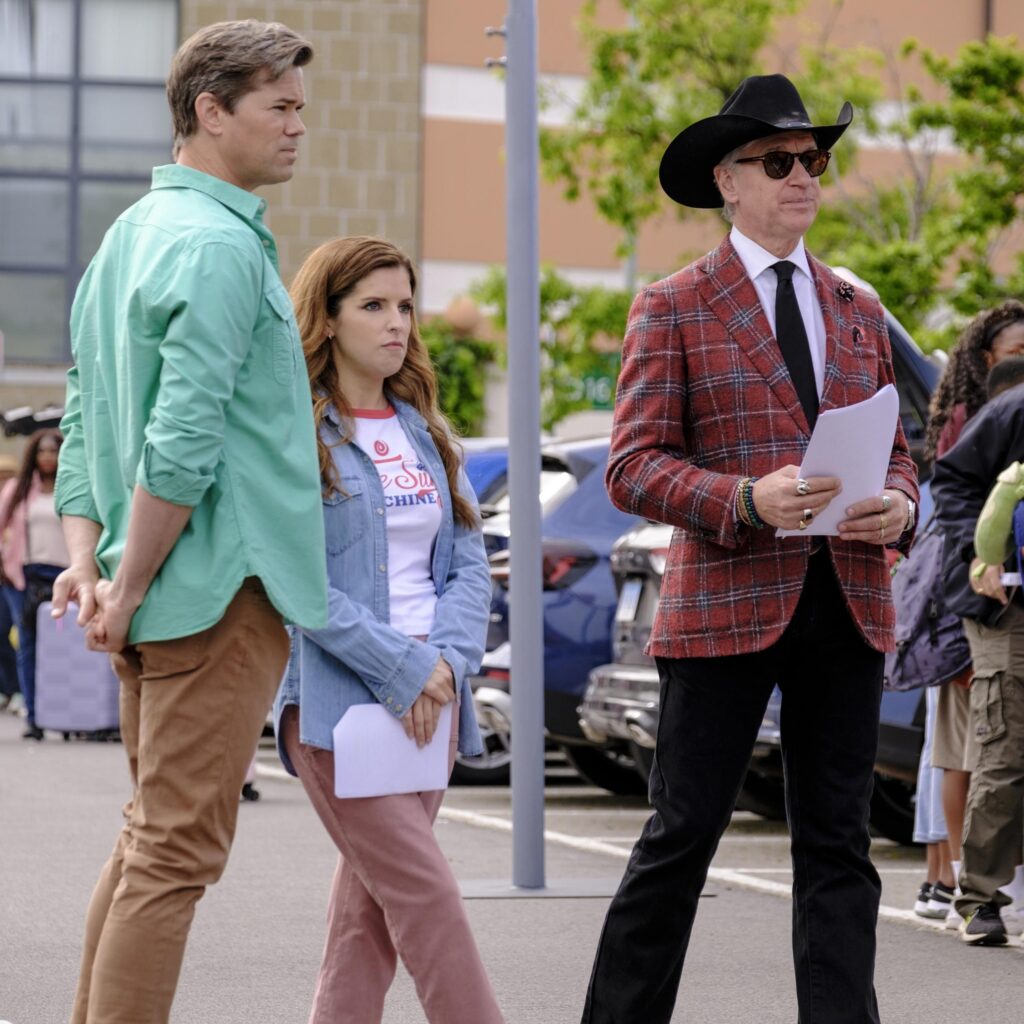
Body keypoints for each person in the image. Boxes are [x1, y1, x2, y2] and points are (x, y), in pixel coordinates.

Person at [581, 74, 918, 1024]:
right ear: (728, 180)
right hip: (726, 603)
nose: (804, 175)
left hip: (849, 599)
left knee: (839, 847)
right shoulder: (674, 303)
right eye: (780, 161)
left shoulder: (858, 303)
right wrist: (745, 499)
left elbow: (898, 449)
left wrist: (898, 501)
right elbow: (633, 466)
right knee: (682, 836)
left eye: (815, 159)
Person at [51, 20, 327, 1023]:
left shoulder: (130, 233)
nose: (299, 127)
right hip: (215, 591)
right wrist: (116, 585)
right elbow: (179, 438)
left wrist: (88, 563)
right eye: (280, 107)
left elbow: (83, 417)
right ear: (210, 112)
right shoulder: (215, 244)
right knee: (172, 855)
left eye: (301, 106)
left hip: (160, 585)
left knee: (146, 843)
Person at [274, 236, 504, 1024]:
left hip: (432, 707)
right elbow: (299, 585)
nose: (396, 322)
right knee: (427, 895)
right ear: (327, 320)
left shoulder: (425, 432)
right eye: (372, 305)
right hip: (344, 709)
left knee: (366, 919)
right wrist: (403, 668)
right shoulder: (299, 437)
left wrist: (444, 665)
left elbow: (470, 566)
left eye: (405, 305)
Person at [924, 300, 1024, 928]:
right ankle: (980, 896)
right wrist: (978, 553)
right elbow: (951, 481)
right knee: (1005, 739)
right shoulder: (1012, 410)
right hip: (1002, 600)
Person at [0, 429, 69, 739]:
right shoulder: (18, 489)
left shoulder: (73, 486)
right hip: (25, 576)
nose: (47, 457)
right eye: (42, 452)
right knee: (28, 644)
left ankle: (70, 714)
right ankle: (34, 717)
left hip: (65, 574)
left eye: (53, 451)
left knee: (67, 644)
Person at [0, 452, 22, 713]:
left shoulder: (20, 502)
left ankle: (17, 689)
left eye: (7, 478)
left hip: (13, 575)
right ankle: (7, 687)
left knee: (17, 632)